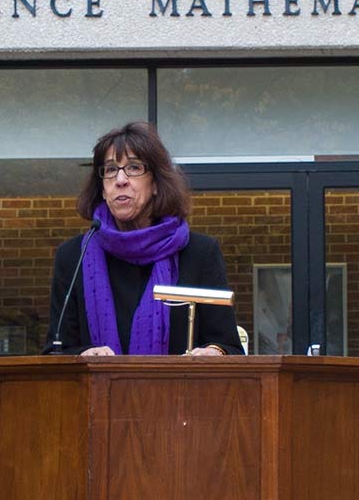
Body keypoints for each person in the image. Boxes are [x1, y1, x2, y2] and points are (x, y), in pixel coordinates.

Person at [44, 122, 243, 356]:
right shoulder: (74, 256)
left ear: (156, 183)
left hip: (179, 391)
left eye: (134, 167)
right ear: (102, 189)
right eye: (110, 170)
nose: (120, 179)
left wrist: (215, 352)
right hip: (96, 391)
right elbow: (56, 350)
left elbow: (228, 346)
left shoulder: (199, 252)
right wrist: (82, 356)